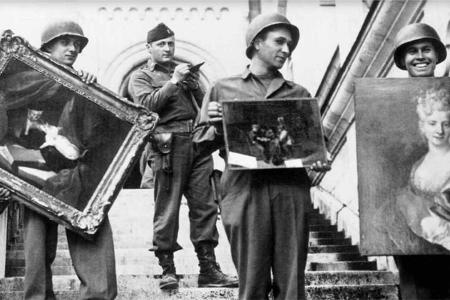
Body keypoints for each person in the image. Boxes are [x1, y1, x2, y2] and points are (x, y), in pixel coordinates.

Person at [199, 13, 330, 300]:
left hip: (290, 190)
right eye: (279, 42)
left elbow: (317, 145)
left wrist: (321, 158)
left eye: (290, 45)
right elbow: (198, 145)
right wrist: (213, 125)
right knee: (252, 284)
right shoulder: (223, 88)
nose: (286, 49)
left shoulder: (299, 94)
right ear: (257, 43)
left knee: (292, 285)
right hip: (244, 190)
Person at [4, 20, 117, 300]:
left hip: (75, 175)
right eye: (65, 42)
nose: (73, 49)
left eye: (77, 45)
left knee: (91, 227)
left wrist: (90, 93)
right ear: (46, 48)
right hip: (32, 174)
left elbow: (96, 135)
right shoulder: (20, 83)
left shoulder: (81, 86)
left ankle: (97, 295)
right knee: (36, 243)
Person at [128, 22, 237, 290]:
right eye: (161, 44)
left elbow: (205, 106)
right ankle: (167, 269)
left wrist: (194, 85)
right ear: (149, 48)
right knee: (168, 208)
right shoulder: (140, 77)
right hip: (167, 145)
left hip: (198, 144)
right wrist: (174, 82)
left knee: (205, 207)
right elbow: (146, 108)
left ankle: (209, 269)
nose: (167, 48)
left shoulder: (185, 76)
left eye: (170, 43)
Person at [392, 22, 450, 300]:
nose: (420, 56)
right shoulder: (386, 100)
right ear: (403, 60)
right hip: (413, 238)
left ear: (437, 54)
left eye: (426, 49)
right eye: (412, 51)